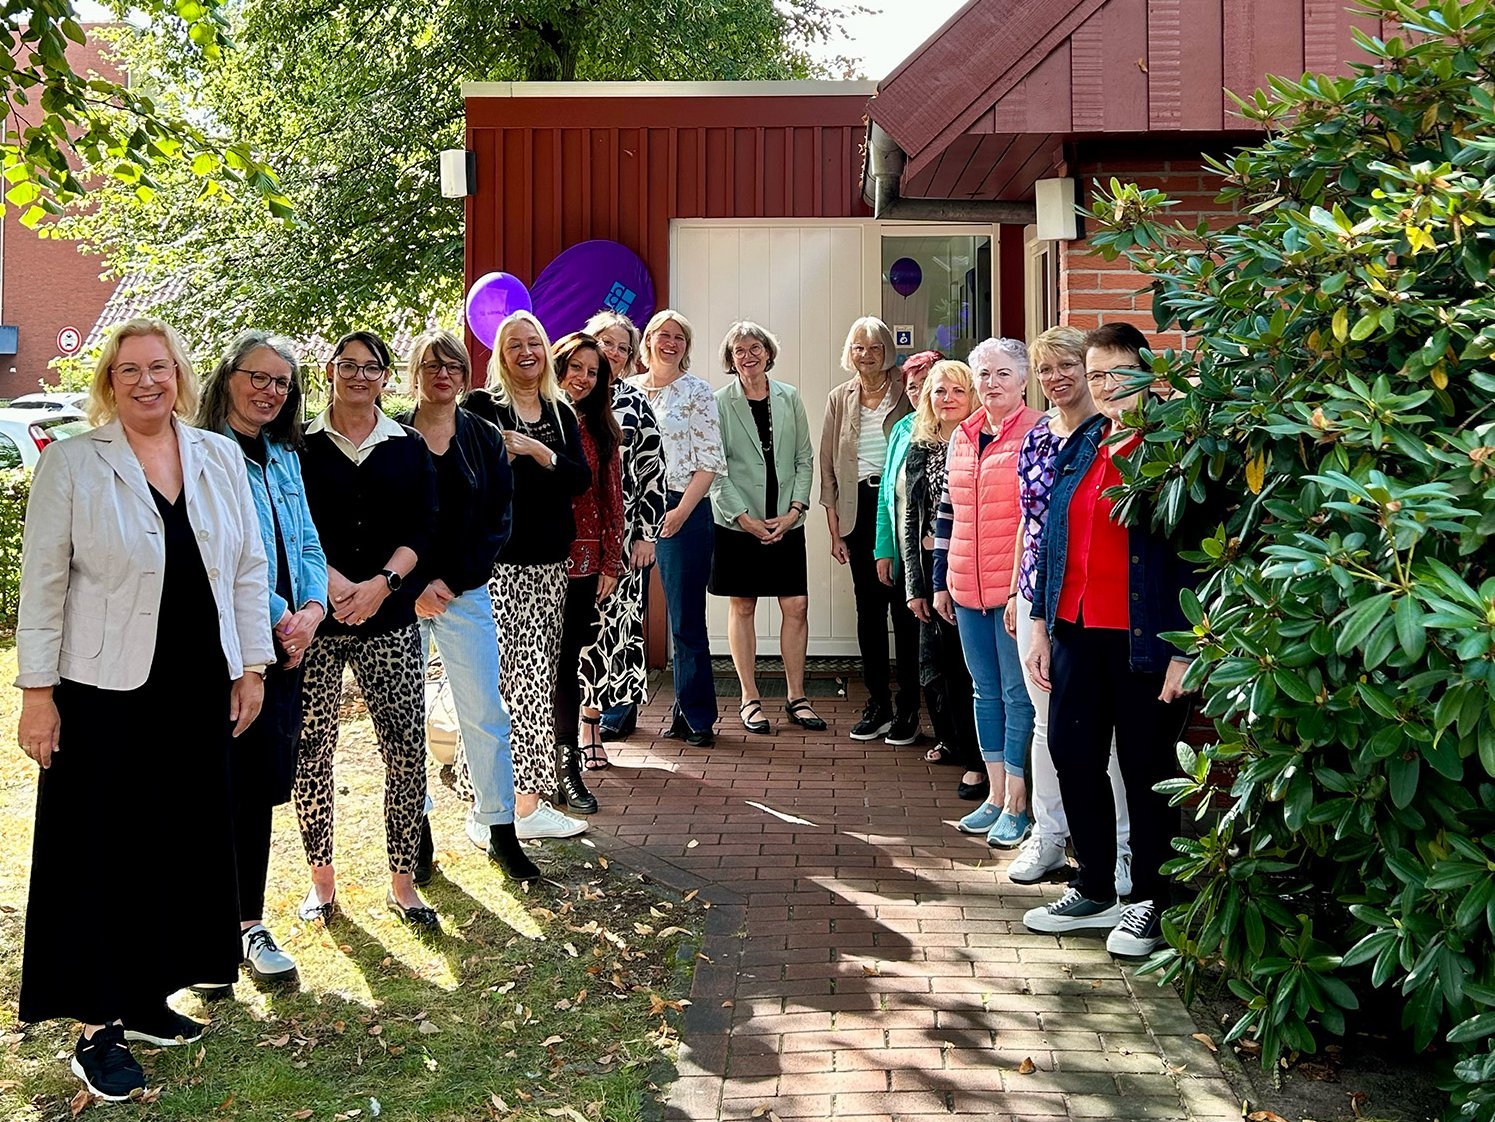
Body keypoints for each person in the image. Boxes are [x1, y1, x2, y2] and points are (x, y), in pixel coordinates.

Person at [16, 317, 272, 1100]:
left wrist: (251, 665)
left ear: (181, 376)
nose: (146, 382)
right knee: (99, 850)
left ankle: (147, 996)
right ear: (109, 381)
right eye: (129, 370)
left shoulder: (218, 455)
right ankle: (97, 1027)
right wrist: (36, 695)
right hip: (102, 692)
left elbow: (248, 568)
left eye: (159, 367)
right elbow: (45, 583)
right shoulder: (74, 466)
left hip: (197, 687)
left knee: (175, 841)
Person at [1021, 322, 1204, 957]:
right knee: (1073, 755)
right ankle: (1096, 886)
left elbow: (1195, 556)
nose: (1103, 386)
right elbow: (1052, 538)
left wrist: (1186, 648)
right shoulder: (1087, 440)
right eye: (1095, 374)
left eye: (1115, 373)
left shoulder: (1171, 450)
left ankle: (1152, 902)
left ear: (1148, 375)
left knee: (1146, 770)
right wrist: (1043, 623)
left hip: (1145, 645)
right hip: (1074, 632)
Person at [195, 331, 328, 989]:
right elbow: (216, 552)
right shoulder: (200, 454)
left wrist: (310, 611)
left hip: (285, 649)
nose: (271, 391)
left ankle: (247, 924)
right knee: (210, 790)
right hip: (223, 646)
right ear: (227, 378)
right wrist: (278, 613)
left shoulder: (283, 456)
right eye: (259, 377)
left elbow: (305, 540)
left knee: (255, 791)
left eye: (282, 382)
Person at [294, 330, 440, 929]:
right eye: (347, 365)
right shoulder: (297, 445)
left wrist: (382, 584)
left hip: (391, 619)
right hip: (316, 623)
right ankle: (321, 883)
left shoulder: (407, 445)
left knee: (405, 747)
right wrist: (332, 585)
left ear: (386, 376)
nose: (359, 375)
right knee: (311, 752)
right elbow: (290, 523)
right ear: (329, 371)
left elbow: (423, 529)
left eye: (371, 366)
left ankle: (403, 882)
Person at [398, 329, 539, 883]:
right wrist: (412, 588)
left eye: (453, 366)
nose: (443, 375)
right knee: (405, 720)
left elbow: (497, 519)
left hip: (465, 592)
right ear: (416, 373)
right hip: (400, 600)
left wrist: (451, 583)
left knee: (484, 713)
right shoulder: (390, 435)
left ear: (464, 375)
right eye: (431, 366)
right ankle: (417, 835)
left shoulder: (482, 435)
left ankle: (499, 829)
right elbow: (377, 523)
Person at [1001, 326, 1132, 889]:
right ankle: (1050, 835)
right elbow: (1030, 523)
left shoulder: (1113, 432)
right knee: (1046, 725)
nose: (1057, 378)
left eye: (1068, 366)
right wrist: (1015, 591)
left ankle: (1122, 847)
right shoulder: (1036, 437)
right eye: (1045, 368)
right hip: (1038, 594)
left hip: (1093, 604)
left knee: (1109, 739)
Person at [465, 311, 593, 838]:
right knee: (496, 685)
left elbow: (579, 479)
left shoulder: (559, 412)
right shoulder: (480, 407)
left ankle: (528, 804)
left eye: (533, 342)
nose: (525, 352)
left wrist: (538, 452)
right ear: (500, 353)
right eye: (513, 343)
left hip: (548, 568)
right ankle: (490, 804)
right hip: (497, 566)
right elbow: (467, 476)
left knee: (537, 684)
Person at [932, 338, 1042, 848]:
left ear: (1023, 380)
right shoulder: (962, 435)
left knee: (1019, 695)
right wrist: (942, 582)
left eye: (1002, 374)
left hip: (1011, 590)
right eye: (984, 375)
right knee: (985, 692)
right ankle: (994, 796)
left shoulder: (1037, 432)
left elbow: (1036, 522)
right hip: (966, 586)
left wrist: (1025, 592)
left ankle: (1019, 803)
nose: (991, 384)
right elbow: (947, 515)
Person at [708, 321, 824, 734]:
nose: (748, 356)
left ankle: (797, 696)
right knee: (743, 605)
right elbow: (714, 468)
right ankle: (750, 697)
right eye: (739, 350)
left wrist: (794, 512)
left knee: (796, 606)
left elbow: (805, 459)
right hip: (739, 523)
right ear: (730, 358)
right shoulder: (719, 402)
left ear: (768, 352)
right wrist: (745, 519)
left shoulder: (789, 397)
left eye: (755, 347)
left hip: (786, 520)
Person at [626, 309, 724, 747]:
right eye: (662, 335)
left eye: (679, 337)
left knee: (686, 619)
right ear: (646, 341)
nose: (670, 342)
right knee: (626, 616)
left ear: (686, 347)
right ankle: (618, 710)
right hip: (631, 514)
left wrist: (681, 511)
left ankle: (695, 716)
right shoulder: (623, 391)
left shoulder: (697, 393)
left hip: (682, 507)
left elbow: (710, 459)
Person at [819, 316, 918, 743]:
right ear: (849, 352)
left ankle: (910, 708)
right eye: (858, 347)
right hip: (858, 511)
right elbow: (827, 466)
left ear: (887, 351)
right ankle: (878, 701)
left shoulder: (909, 389)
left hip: (902, 507)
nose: (867, 354)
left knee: (907, 608)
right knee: (870, 610)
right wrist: (834, 528)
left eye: (875, 346)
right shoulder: (840, 398)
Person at [578, 310, 667, 753]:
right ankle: (562, 733)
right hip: (567, 543)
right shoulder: (561, 399)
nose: (612, 352)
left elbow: (654, 472)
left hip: (620, 542)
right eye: (604, 343)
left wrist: (647, 535)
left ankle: (591, 726)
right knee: (568, 637)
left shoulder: (634, 404)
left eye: (621, 347)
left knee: (606, 637)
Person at [901, 361, 985, 800]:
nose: (947, 398)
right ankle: (963, 749)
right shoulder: (921, 445)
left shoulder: (979, 439)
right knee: (945, 670)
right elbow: (912, 518)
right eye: (939, 391)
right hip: (936, 572)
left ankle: (983, 760)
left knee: (978, 673)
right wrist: (916, 585)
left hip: (978, 566)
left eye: (957, 389)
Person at [552, 331, 623, 807]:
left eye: (591, 371)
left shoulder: (601, 429)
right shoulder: (530, 417)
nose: (581, 378)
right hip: (526, 563)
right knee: (524, 670)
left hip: (582, 565)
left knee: (565, 668)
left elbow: (611, 498)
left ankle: (567, 765)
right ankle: (525, 772)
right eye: (574, 367)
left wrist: (609, 562)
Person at [872, 349, 945, 750]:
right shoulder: (902, 429)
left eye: (928, 384)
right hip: (907, 558)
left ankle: (950, 729)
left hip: (943, 558)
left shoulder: (959, 428)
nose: (920, 393)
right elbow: (889, 495)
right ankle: (911, 714)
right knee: (907, 639)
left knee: (940, 648)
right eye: (914, 386)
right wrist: (885, 548)